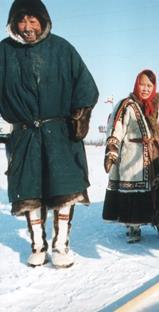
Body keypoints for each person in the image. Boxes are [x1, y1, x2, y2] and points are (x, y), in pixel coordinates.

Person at [0, 0, 99, 268]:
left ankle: (61, 245)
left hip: (60, 133)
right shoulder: (4, 52)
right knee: (30, 190)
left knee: (64, 187)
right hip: (23, 135)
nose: (28, 27)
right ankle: (38, 245)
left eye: (33, 21)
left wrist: (80, 116)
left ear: (43, 21)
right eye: (22, 20)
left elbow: (86, 85)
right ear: (13, 22)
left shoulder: (62, 49)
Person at [102, 69, 159, 243]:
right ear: (136, 84)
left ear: (154, 87)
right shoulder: (126, 105)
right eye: (142, 84)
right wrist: (112, 150)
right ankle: (133, 226)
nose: (145, 88)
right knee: (135, 192)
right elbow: (115, 128)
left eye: (149, 85)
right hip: (133, 157)